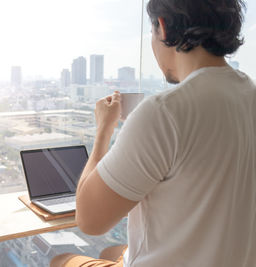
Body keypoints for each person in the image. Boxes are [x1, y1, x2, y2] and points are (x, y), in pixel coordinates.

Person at [51, 0, 256, 266]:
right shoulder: (249, 94)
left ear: (163, 27)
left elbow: (89, 220)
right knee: (111, 253)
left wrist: (104, 129)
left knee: (63, 259)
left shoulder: (165, 112)